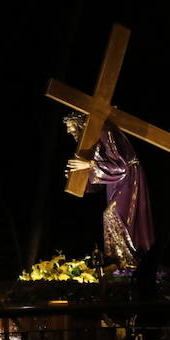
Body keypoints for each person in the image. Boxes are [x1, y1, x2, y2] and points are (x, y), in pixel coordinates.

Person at [64, 111, 153, 269]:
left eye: (71, 126)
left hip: (130, 179)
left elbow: (120, 167)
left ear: (81, 124)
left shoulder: (105, 131)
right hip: (116, 182)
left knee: (113, 215)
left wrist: (90, 165)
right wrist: (79, 176)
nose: (69, 131)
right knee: (111, 215)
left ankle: (129, 261)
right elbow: (98, 182)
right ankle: (120, 262)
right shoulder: (90, 142)